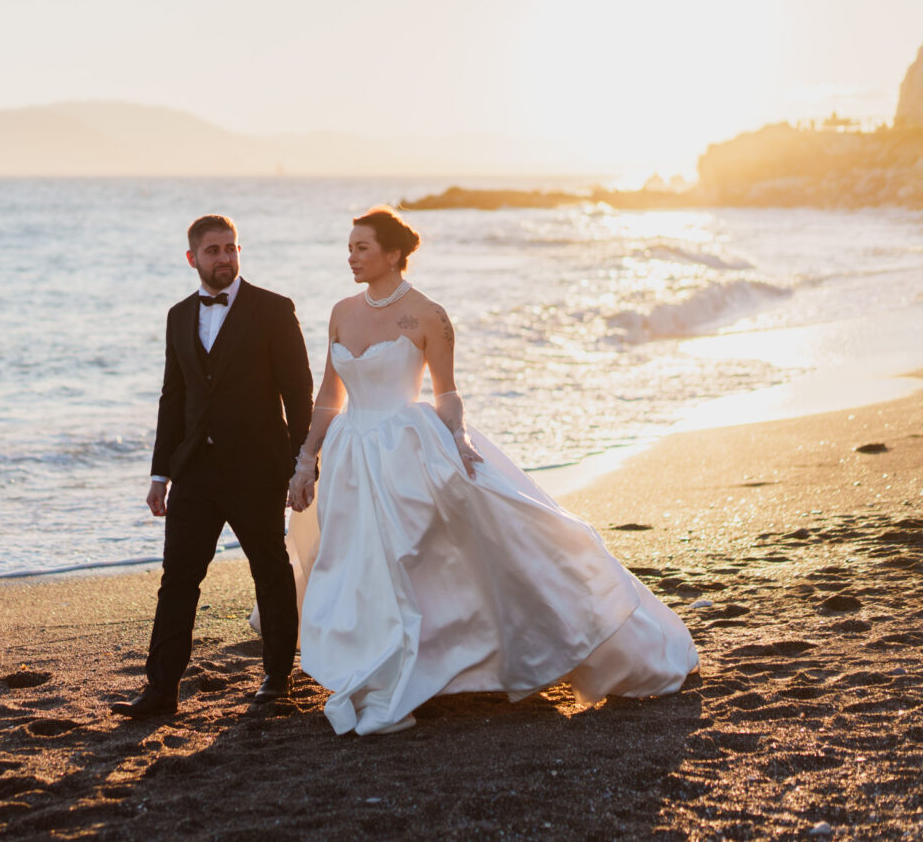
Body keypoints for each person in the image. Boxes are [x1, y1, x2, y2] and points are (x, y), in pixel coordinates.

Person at [285, 206, 699, 735]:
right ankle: (379, 667)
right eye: (349, 247)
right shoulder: (341, 311)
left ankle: (427, 668)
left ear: (392, 254)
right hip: (350, 453)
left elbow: (447, 392)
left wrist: (456, 439)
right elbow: (328, 394)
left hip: (410, 448)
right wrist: (306, 458)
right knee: (359, 565)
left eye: (361, 247)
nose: (351, 256)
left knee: (420, 559)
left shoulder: (429, 315)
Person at [112, 214, 313, 719]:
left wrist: (299, 466)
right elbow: (172, 398)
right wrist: (160, 474)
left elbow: (298, 393)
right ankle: (160, 690)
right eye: (213, 251)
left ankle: (277, 678)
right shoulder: (179, 316)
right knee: (178, 578)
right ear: (192, 259)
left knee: (269, 571)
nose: (224, 258)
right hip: (194, 473)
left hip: (257, 471)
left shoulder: (274, 309)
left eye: (231, 248)